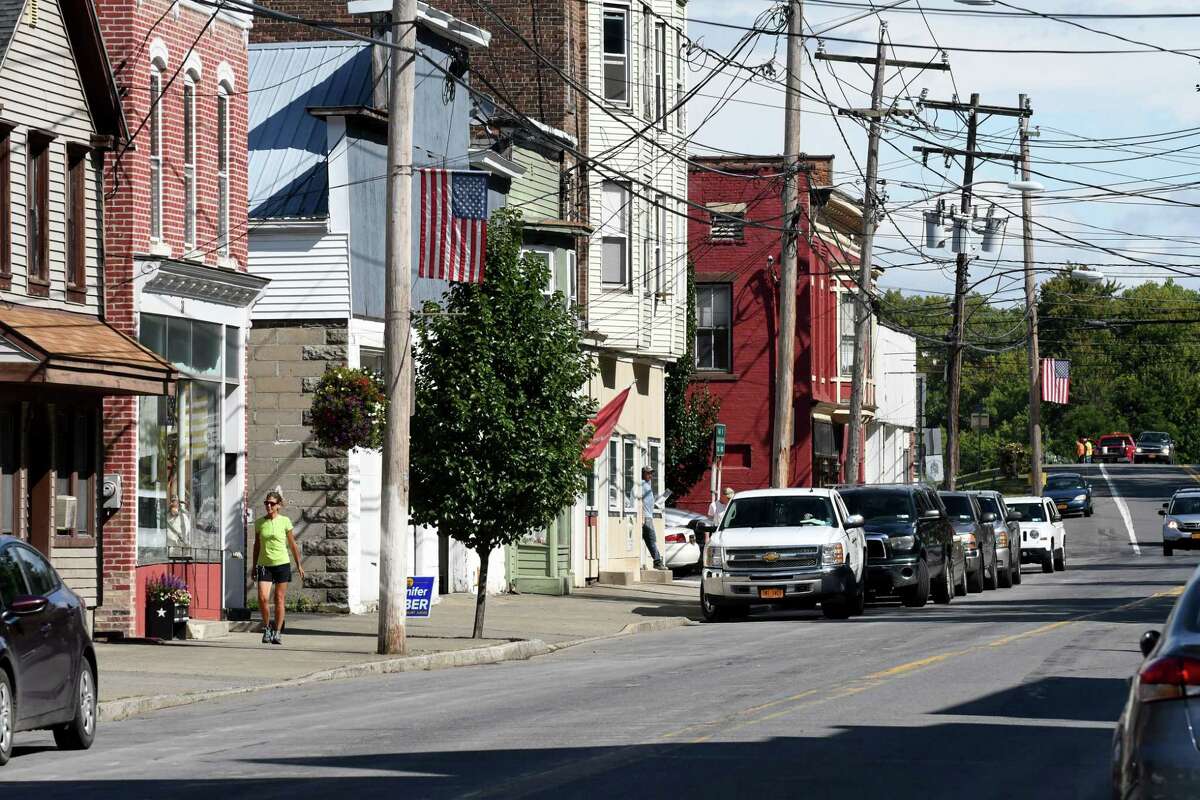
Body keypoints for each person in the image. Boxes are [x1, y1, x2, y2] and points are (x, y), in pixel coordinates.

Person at [253, 491, 305, 645]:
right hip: (264, 565)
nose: (268, 505)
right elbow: (257, 546)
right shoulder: (259, 523)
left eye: (272, 503)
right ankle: (267, 628)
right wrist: (254, 566)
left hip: (282, 564)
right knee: (263, 598)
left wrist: (299, 565)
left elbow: (292, 544)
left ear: (278, 506)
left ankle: (277, 631)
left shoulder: (285, 521)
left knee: (279, 599)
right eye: (266, 503)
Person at [640, 467, 665, 570]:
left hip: (649, 515)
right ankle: (657, 561)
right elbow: (638, 500)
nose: (650, 476)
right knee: (651, 539)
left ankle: (657, 560)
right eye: (648, 473)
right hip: (645, 516)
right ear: (643, 473)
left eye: (651, 473)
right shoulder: (641, 484)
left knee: (649, 539)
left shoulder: (647, 485)